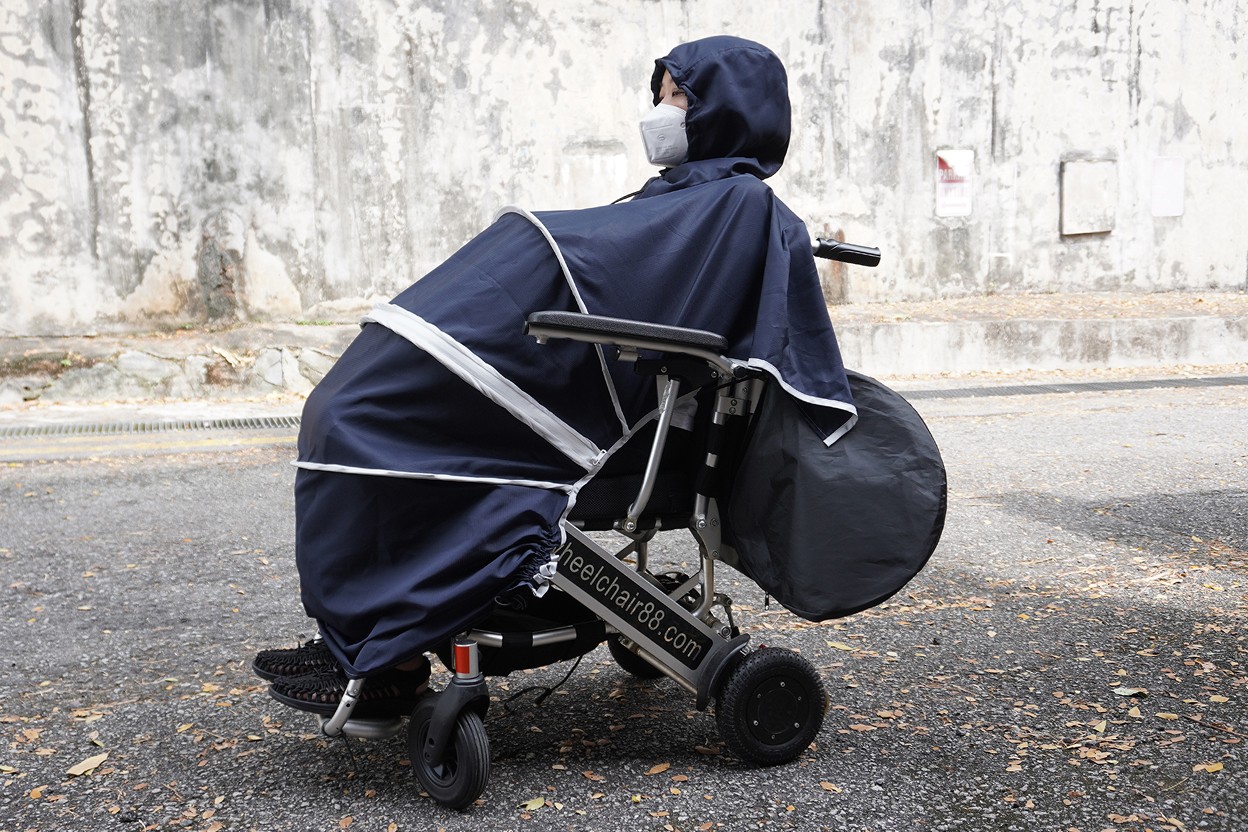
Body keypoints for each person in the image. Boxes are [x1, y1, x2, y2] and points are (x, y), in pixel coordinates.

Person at [254, 35, 855, 717]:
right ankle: (366, 642)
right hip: (575, 388)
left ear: (727, 108)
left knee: (359, 420)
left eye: (676, 97)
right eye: (660, 96)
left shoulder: (737, 207)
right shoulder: (683, 199)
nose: (660, 113)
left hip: (598, 421)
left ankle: (380, 655)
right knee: (347, 412)